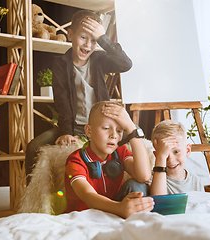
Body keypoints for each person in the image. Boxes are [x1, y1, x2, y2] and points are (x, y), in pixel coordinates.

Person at [25, 10, 132, 184]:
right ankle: (33, 198)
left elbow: (125, 64)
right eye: (83, 37)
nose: (88, 45)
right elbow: (62, 102)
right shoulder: (60, 64)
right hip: (73, 126)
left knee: (130, 143)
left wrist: (103, 38)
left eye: (94, 40)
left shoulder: (99, 59)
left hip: (100, 126)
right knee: (33, 147)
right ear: (70, 34)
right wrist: (67, 132)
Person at [63, 101, 154, 218]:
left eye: (120, 131)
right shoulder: (75, 160)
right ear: (89, 131)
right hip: (85, 216)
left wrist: (131, 128)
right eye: (106, 128)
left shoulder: (120, 152)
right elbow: (87, 195)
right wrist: (120, 208)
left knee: (137, 185)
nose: (114, 135)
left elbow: (144, 176)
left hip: (115, 211)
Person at [149, 119, 204, 195]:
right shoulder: (152, 180)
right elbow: (159, 201)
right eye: (165, 154)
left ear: (187, 150)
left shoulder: (196, 181)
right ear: (157, 156)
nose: (171, 160)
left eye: (176, 152)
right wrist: (161, 158)